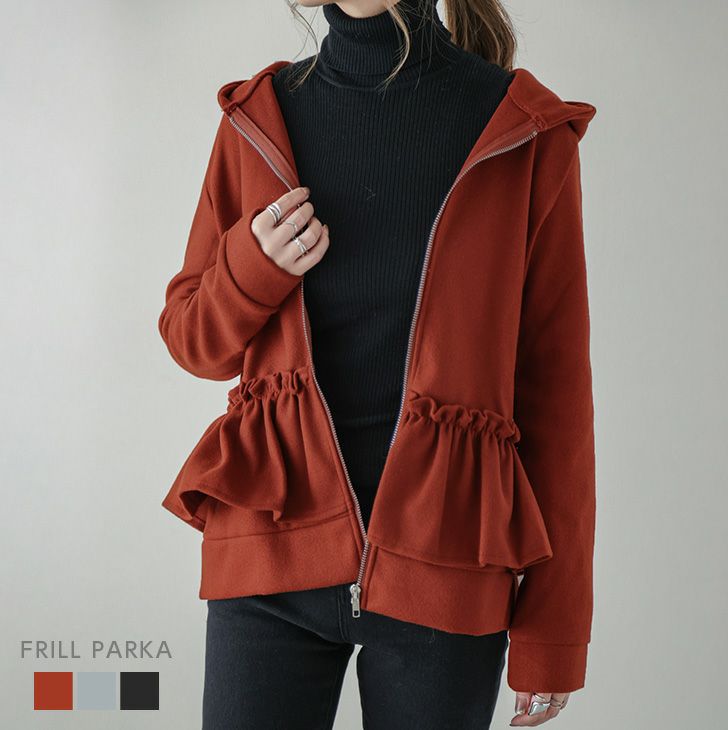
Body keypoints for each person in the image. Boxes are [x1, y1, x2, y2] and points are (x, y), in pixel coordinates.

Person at [157, 1, 598, 728]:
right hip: (268, 557)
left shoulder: (522, 130)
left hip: (448, 568)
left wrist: (554, 628)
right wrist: (252, 267)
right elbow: (193, 342)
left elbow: (557, 398)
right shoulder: (257, 120)